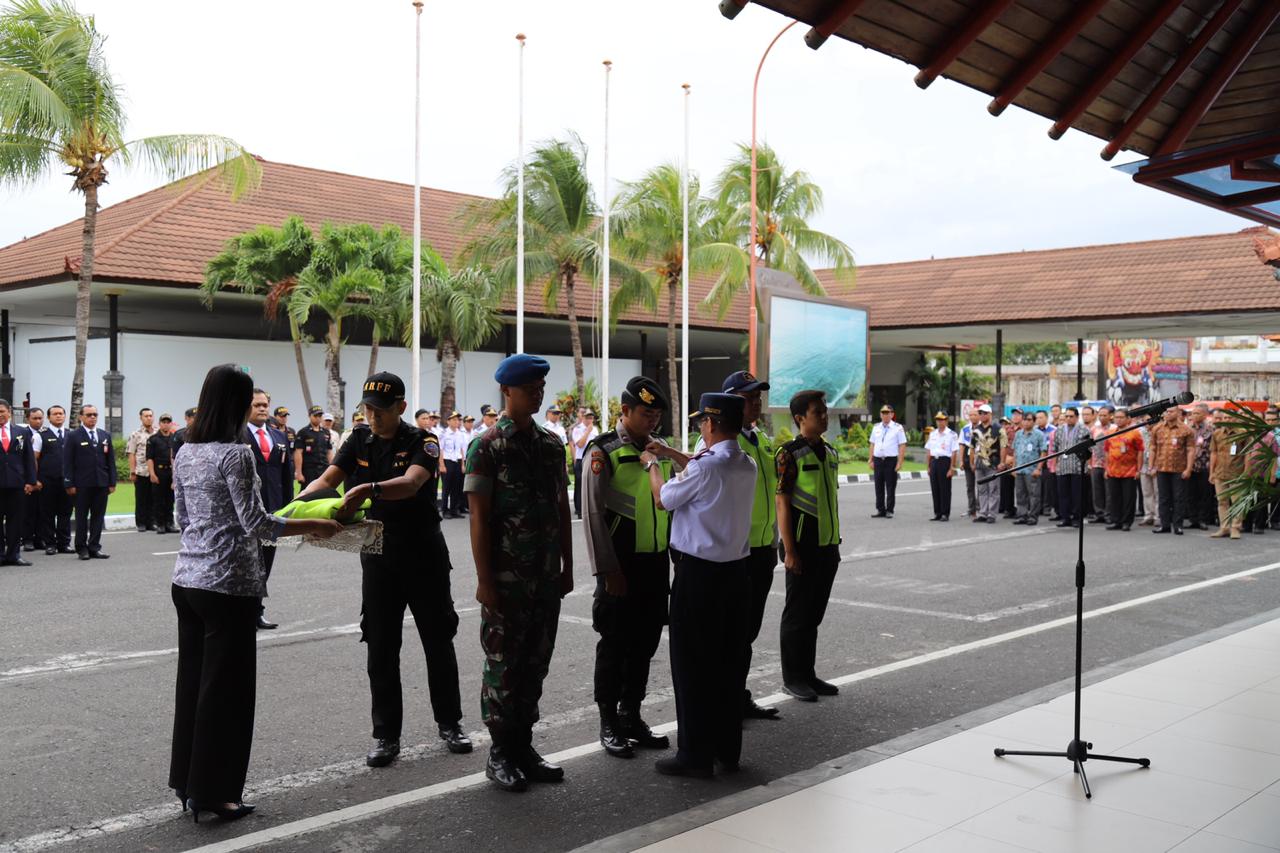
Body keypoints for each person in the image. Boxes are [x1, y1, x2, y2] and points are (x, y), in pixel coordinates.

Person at [168, 364, 340, 823]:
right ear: (239, 405)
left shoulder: (186, 450)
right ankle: (216, 794)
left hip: (187, 580)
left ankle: (188, 784)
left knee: (194, 686)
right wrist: (315, 525)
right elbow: (257, 523)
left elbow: (182, 517)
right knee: (228, 693)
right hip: (229, 585)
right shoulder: (236, 454)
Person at [302, 372, 472, 768]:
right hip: (378, 554)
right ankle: (386, 735)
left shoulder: (422, 441)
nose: (373, 417)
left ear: (401, 407)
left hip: (424, 555)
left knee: (437, 641)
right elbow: (328, 478)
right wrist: (297, 505)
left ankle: (450, 723)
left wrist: (368, 489)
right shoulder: (359, 439)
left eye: (380, 410)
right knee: (380, 646)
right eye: (367, 410)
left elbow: (412, 483)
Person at [465, 354, 574, 793]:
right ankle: (500, 753)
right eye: (530, 388)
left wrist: (567, 565)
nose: (537, 394)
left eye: (541, 387)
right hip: (507, 578)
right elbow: (478, 517)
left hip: (544, 576)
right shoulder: (487, 446)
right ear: (506, 390)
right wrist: (484, 580)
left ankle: (523, 747)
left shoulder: (551, 445)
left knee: (536, 662)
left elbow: (561, 508)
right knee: (503, 666)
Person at [644, 391, 757, 777]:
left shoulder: (706, 468)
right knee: (729, 665)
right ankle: (727, 750)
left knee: (692, 666)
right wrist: (670, 452)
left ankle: (694, 755)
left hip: (699, 578)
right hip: (735, 576)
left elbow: (663, 499)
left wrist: (652, 464)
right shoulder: (745, 463)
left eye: (702, 422)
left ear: (709, 423)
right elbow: (701, 465)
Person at [581, 377, 674, 759]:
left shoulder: (658, 449)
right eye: (646, 413)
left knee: (645, 644)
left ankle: (631, 714)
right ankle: (608, 721)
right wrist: (608, 570)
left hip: (654, 562)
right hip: (620, 566)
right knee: (614, 645)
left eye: (656, 415)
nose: (652, 421)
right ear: (625, 411)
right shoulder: (603, 451)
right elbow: (592, 515)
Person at [776, 389, 841, 702]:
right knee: (797, 615)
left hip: (827, 545)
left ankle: (808, 674)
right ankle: (793, 678)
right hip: (802, 546)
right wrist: (790, 550)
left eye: (825, 411)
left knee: (813, 614)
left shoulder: (830, 452)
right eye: (818, 412)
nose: (825, 416)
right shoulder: (789, 454)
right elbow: (782, 502)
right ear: (800, 418)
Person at [242, 390, 293, 630]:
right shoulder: (236, 435)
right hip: (247, 512)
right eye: (257, 405)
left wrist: (289, 507)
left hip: (274, 510)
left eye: (265, 405)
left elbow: (286, 474)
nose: (262, 409)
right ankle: (244, 612)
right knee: (247, 564)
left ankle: (256, 610)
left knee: (266, 564)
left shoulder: (279, 436)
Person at [64, 404, 115, 560]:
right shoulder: (73, 436)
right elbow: (67, 462)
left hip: (101, 483)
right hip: (82, 484)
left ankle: (94, 547)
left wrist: (112, 482)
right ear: (81, 417)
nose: (92, 417)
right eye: (89, 415)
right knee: (81, 517)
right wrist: (69, 483)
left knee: (98, 517)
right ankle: (81, 548)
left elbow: (110, 460)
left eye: (95, 414)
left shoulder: (104, 435)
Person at [0, 400, 36, 566]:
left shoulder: (21, 432)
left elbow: (29, 459)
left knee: (15, 521)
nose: (0, 414)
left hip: (17, 483)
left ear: (9, 412)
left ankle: (14, 554)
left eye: (2, 411)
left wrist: (31, 481)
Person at [34, 405, 73, 555]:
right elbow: (34, 459)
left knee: (65, 513)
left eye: (61, 413)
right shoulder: (40, 435)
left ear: (65, 416)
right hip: (47, 481)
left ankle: (64, 544)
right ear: (49, 417)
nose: (58, 416)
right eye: (55, 414)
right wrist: (35, 479)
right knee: (47, 514)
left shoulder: (71, 434)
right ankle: (50, 544)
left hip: (67, 481)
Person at [1149, 406, 1193, 534]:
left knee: (1178, 498)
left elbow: (1191, 450)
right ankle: (1165, 525)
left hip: (1179, 469)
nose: (1168, 413)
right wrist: (1151, 466)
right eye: (1166, 411)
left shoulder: (1186, 430)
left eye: (1171, 411)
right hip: (1161, 468)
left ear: (1178, 413)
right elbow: (1152, 448)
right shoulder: (1157, 428)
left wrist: (1188, 469)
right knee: (1163, 498)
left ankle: (1178, 525)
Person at [1208, 409, 1247, 539]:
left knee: (1237, 502)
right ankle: (1224, 528)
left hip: (1237, 473)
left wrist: (1246, 472)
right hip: (1220, 473)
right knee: (1222, 501)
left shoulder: (1243, 433)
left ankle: (1235, 528)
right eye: (1225, 418)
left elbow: (1248, 454)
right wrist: (1211, 472)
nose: (1227, 420)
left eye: (1230, 417)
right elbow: (1214, 453)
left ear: (1236, 419)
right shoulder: (1217, 433)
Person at [1103, 408, 1142, 531]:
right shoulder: (1110, 432)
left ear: (1128, 419)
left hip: (1129, 470)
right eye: (1116, 417)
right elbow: (1106, 451)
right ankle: (1116, 521)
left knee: (1128, 498)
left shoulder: (1134, 433)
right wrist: (1106, 468)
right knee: (1115, 497)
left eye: (1121, 417)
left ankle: (1126, 522)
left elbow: (1140, 451)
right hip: (1113, 470)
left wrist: (1138, 469)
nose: (1118, 420)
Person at [1050, 407, 1088, 528]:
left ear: (1077, 417)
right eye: (1066, 416)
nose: (1068, 418)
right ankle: (1065, 517)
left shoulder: (1084, 429)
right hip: (1062, 467)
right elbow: (1055, 448)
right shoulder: (1059, 430)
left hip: (1077, 467)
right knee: (1063, 494)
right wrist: (1055, 465)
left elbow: (1088, 449)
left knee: (1077, 495)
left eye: (1071, 416)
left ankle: (1077, 518)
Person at [869, 404, 906, 518]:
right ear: (880, 414)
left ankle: (889, 510)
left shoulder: (898, 428)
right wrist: (870, 459)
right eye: (883, 413)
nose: (885, 415)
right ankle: (880, 509)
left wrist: (900, 462)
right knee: (878, 486)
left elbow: (902, 445)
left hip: (891, 460)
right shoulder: (876, 427)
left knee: (890, 486)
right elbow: (872, 444)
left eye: (887, 413)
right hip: (878, 460)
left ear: (892, 414)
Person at [1011, 413, 1048, 525]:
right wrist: (1013, 467)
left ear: (1034, 421)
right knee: (1020, 494)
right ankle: (1022, 515)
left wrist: (1039, 468)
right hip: (1020, 469)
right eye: (1024, 420)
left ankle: (1033, 516)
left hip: (1032, 470)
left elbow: (1043, 452)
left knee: (1034, 494)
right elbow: (1015, 451)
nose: (1026, 422)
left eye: (1029, 420)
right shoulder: (1018, 434)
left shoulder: (1039, 435)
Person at [146, 414, 178, 535]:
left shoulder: (174, 439)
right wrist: (152, 474)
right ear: (159, 424)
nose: (166, 424)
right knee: (158, 500)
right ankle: (160, 524)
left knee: (170, 499)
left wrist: (175, 477)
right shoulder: (153, 439)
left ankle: (170, 523)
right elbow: (149, 458)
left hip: (171, 471)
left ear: (171, 424)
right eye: (163, 422)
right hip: (158, 472)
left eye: (168, 422)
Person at [126, 408, 157, 532]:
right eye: (146, 416)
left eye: (150, 416)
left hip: (155, 472)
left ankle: (152, 522)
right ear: (141, 418)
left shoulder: (158, 433)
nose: (149, 418)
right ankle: (141, 523)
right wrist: (132, 471)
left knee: (154, 498)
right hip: (141, 471)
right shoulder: (135, 434)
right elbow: (131, 453)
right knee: (141, 499)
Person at [969, 403, 1001, 523]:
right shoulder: (976, 430)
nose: (982, 415)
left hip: (993, 463)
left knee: (993, 489)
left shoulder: (997, 428)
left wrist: (1002, 462)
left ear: (990, 414)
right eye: (980, 413)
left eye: (984, 413)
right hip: (979, 463)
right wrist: (972, 463)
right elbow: (972, 447)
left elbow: (1003, 447)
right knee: (981, 489)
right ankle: (982, 513)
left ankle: (991, 514)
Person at [925, 411, 959, 521]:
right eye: (938, 420)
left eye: (942, 420)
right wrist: (928, 466)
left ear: (946, 421)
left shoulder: (952, 434)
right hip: (934, 461)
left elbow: (954, 452)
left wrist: (951, 468)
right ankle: (937, 513)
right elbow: (929, 450)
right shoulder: (933, 433)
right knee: (935, 488)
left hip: (945, 462)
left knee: (945, 489)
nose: (939, 422)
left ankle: (945, 513)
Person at [1186, 404, 1214, 530]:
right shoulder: (1187, 428)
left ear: (1204, 415)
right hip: (1190, 466)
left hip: (1204, 465)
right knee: (1190, 494)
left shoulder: (1210, 429)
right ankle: (1193, 520)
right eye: (1193, 413)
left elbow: (1213, 449)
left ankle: (1203, 519)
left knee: (1204, 494)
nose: (1194, 415)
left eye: (1197, 413)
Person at [21, 407, 45, 553]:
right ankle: (27, 539)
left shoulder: (45, 433)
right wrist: (32, 480)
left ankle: (39, 539)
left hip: (44, 478)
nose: (38, 421)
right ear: (27, 419)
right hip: (29, 479)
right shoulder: (22, 434)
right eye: (34, 418)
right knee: (28, 511)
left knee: (42, 510)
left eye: (40, 418)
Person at [293, 406, 333, 489]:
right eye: (315, 416)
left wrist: (332, 468)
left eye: (320, 416)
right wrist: (299, 473)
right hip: (309, 470)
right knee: (308, 492)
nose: (318, 418)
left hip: (324, 469)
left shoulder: (326, 432)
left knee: (324, 492)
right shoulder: (303, 432)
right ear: (309, 416)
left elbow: (329, 452)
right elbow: (298, 453)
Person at [571, 409, 599, 519]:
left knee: (591, 484)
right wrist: (587, 432)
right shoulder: (577, 429)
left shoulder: (595, 429)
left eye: (591, 418)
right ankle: (579, 510)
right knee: (580, 486)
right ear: (583, 418)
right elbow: (580, 444)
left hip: (591, 459)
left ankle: (590, 508)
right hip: (581, 459)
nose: (590, 420)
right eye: (588, 417)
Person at [1088, 406, 1113, 523]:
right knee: (1097, 490)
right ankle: (1099, 513)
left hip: (1110, 464)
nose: (1102, 417)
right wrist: (1089, 464)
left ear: (1110, 416)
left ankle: (1109, 514)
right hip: (1096, 464)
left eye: (1105, 415)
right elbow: (1089, 447)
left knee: (1109, 491)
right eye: (1100, 415)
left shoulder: (1114, 429)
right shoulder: (1094, 429)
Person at [440, 411, 467, 519]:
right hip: (447, 461)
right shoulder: (444, 433)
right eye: (454, 420)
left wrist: (462, 465)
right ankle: (445, 510)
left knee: (456, 487)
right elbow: (441, 450)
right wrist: (442, 465)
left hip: (458, 462)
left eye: (458, 420)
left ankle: (454, 510)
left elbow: (461, 450)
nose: (457, 422)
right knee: (447, 488)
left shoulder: (460, 434)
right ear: (448, 421)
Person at [959, 408, 979, 518]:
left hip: (980, 457)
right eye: (971, 415)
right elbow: (962, 445)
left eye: (975, 415)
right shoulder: (965, 429)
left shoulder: (983, 428)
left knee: (980, 485)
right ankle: (971, 509)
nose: (972, 417)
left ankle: (980, 508)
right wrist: (961, 460)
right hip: (967, 458)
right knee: (969, 486)